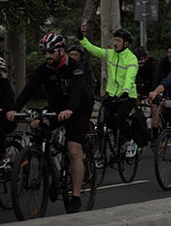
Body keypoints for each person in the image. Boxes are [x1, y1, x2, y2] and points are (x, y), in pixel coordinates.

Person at [6, 33, 92, 213]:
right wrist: (14, 109)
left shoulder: (75, 67)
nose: (48, 56)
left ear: (61, 50)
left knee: (74, 149)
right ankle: (52, 170)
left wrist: (70, 110)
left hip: (78, 109)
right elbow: (30, 89)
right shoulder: (45, 68)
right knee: (37, 126)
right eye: (45, 52)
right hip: (56, 107)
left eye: (51, 52)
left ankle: (75, 195)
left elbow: (77, 91)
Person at [79, 26, 142, 158]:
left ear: (126, 43)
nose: (115, 43)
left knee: (120, 117)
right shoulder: (110, 53)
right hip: (112, 94)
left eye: (118, 41)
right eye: (114, 40)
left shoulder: (131, 59)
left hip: (128, 95)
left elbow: (130, 77)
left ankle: (131, 141)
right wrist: (81, 38)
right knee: (103, 121)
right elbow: (93, 49)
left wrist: (125, 92)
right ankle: (106, 147)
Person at [134, 46, 160, 141]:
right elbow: (134, 79)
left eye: (141, 60)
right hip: (144, 86)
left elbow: (155, 79)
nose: (139, 63)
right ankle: (142, 123)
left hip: (156, 86)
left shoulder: (153, 64)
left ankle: (155, 135)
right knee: (135, 102)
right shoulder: (135, 65)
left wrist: (152, 93)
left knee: (154, 107)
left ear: (146, 57)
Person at [0, 57, 15, 166]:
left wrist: (2, 109)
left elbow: (9, 98)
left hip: (5, 118)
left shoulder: (4, 83)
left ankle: (2, 156)